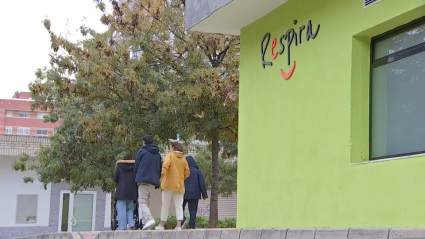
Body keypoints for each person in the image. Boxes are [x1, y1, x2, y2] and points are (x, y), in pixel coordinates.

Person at [155, 142, 190, 230]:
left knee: (165, 205)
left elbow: (165, 166)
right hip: (179, 185)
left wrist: (163, 176)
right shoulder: (183, 159)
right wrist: (181, 178)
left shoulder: (170, 156)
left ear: (173, 148)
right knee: (179, 205)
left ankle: (162, 225)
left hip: (168, 184)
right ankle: (178, 225)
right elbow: (187, 173)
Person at [135, 135, 162, 230]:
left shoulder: (142, 151)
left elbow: (136, 166)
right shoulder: (157, 154)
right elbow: (160, 168)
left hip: (143, 180)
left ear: (144, 142)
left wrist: (136, 178)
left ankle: (149, 219)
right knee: (147, 203)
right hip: (153, 182)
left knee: (142, 203)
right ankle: (145, 224)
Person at [181, 155, 208, 229]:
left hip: (184, 193)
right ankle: (192, 226)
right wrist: (204, 195)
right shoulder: (197, 171)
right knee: (193, 211)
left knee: (180, 207)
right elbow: (202, 183)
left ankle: (183, 221)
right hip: (195, 194)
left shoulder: (183, 170)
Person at [113, 151, 138, 230]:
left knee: (121, 210)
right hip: (131, 191)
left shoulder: (119, 166)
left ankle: (122, 227)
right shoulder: (135, 166)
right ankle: (131, 223)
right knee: (130, 208)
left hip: (121, 191)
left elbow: (115, 178)